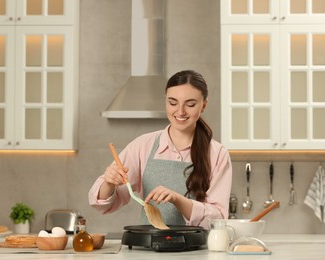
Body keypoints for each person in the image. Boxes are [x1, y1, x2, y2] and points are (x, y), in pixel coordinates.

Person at [88, 70, 232, 229]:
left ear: (203, 105)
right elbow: (103, 205)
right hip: (148, 248)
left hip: (197, 251)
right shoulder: (143, 145)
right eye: (173, 102)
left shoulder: (217, 154)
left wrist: (178, 200)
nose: (180, 111)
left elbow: (218, 219)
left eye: (190, 104)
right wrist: (109, 183)